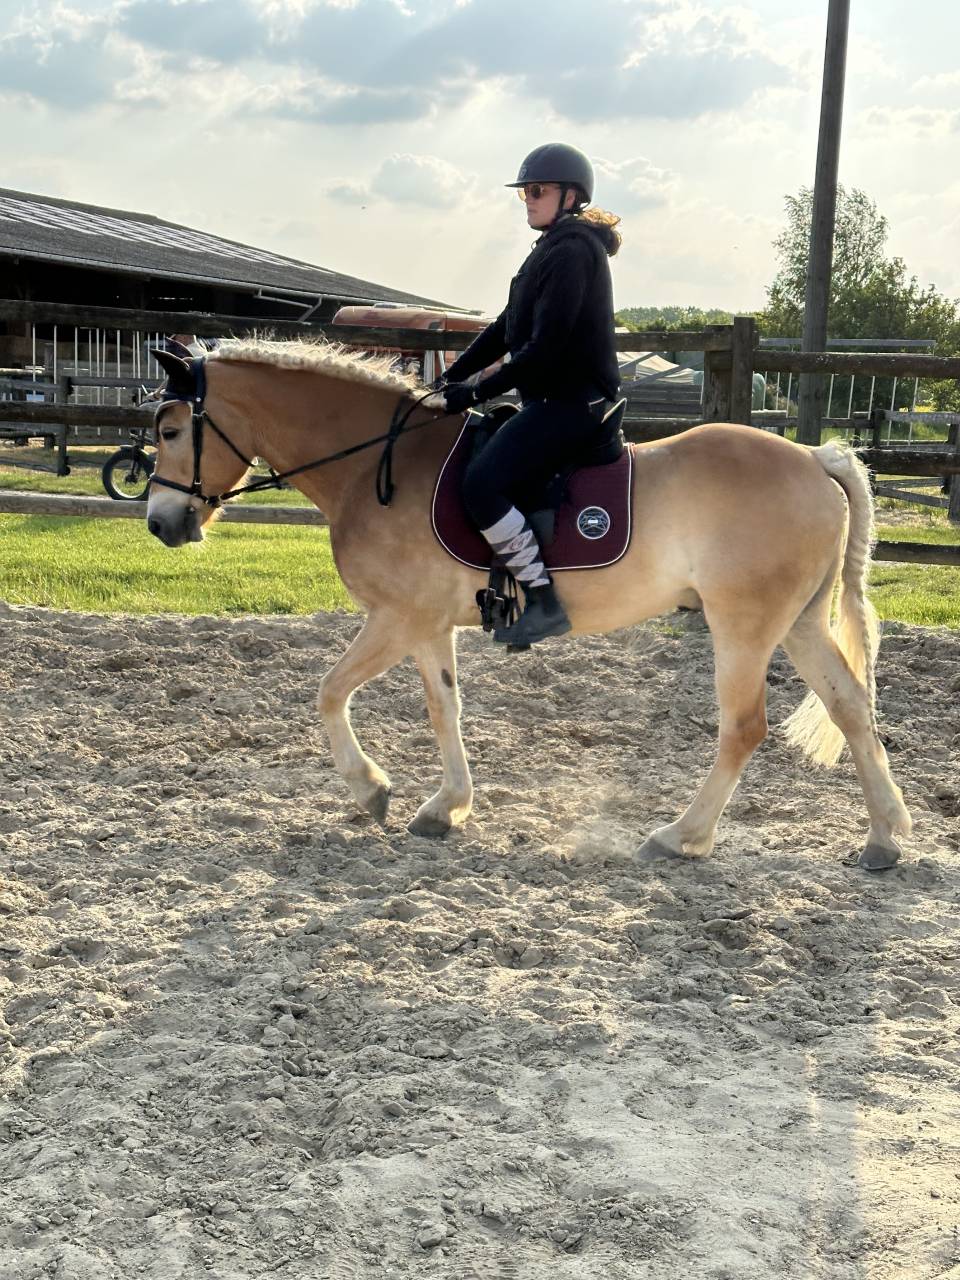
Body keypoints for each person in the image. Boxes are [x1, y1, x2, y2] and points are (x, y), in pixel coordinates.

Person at [440, 142, 622, 647]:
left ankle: (543, 601)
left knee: (481, 485)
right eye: (525, 192)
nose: (529, 200)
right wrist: (453, 375)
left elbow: (543, 350)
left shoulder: (572, 251)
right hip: (551, 398)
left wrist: (474, 393)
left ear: (571, 196)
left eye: (537, 190)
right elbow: (505, 327)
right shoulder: (549, 248)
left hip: (573, 402)